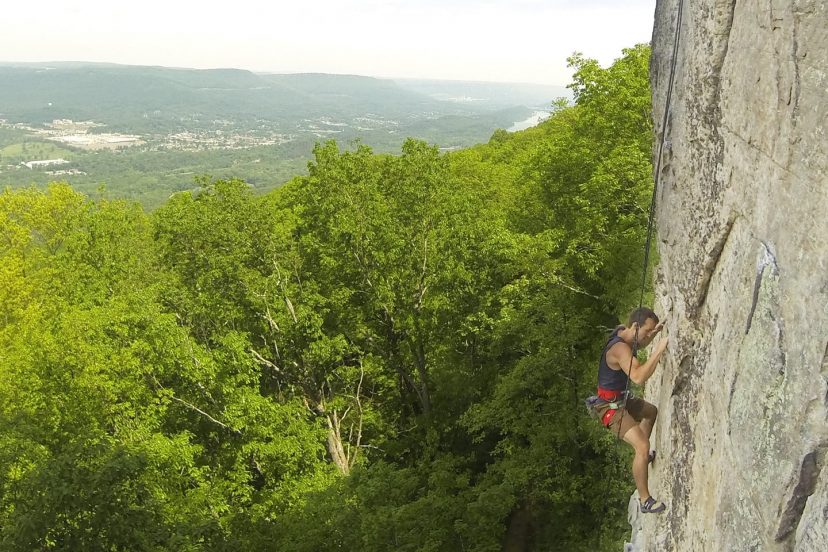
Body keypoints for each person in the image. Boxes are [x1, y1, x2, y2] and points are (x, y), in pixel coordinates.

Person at [594, 307, 668, 514]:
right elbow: (637, 377)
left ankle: (642, 457)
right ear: (635, 326)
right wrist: (659, 350)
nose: (647, 336)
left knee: (650, 412)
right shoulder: (619, 349)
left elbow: (640, 341)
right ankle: (645, 500)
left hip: (621, 399)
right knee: (643, 445)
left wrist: (653, 335)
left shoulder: (622, 333)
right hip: (609, 408)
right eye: (646, 330)